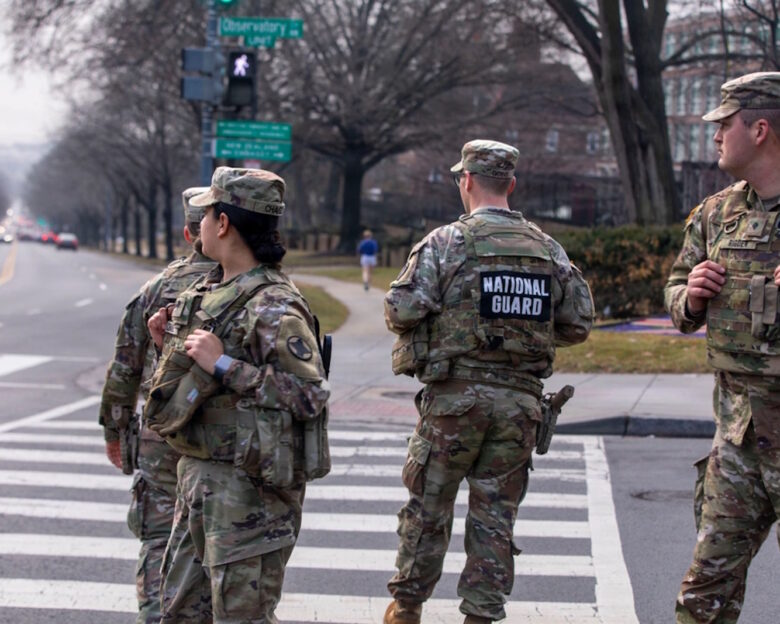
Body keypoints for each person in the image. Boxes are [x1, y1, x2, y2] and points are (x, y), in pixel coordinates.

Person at [382, 140, 594, 624]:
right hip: (519, 406)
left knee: (428, 508)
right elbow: (579, 322)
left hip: (455, 400)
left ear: (467, 182)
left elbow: (401, 309)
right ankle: (480, 615)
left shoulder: (446, 242)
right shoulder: (548, 248)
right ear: (511, 185)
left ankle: (407, 608)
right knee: (495, 518)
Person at [144, 167, 331, 623]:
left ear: (223, 223)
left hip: (249, 496)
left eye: (207, 214)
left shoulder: (273, 305)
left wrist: (224, 365)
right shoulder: (209, 291)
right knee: (179, 614)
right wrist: (164, 346)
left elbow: (309, 395)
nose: (200, 225)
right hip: (199, 480)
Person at [665, 71, 780, 624]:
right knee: (703, 596)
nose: (715, 135)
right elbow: (674, 285)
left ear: (760, 129)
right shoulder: (717, 212)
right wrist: (690, 297)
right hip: (738, 434)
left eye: (724, 124)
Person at [99, 186, 216, 623]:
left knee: (158, 540)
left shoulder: (156, 290)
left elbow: (124, 370)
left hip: (162, 439)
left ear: (188, 233)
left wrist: (115, 431)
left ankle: (155, 614)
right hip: (221, 440)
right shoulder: (249, 287)